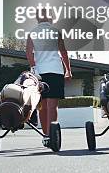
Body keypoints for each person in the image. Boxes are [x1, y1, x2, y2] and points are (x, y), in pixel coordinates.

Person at [26, 9, 72, 144]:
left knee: (42, 106)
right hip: (55, 70)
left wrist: (34, 68)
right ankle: (53, 135)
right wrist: (68, 70)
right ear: (51, 18)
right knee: (53, 106)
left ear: (37, 18)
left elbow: (29, 53)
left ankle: (46, 135)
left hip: (39, 72)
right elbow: (63, 52)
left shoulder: (32, 33)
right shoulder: (56, 31)